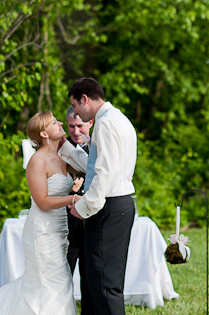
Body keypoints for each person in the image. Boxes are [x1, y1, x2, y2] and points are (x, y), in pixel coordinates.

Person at [0, 111, 78, 314]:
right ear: (43, 133)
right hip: (41, 232)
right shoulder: (37, 161)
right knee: (52, 284)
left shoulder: (61, 156)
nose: (60, 123)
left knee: (56, 282)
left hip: (59, 230)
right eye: (54, 122)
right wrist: (73, 199)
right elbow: (41, 201)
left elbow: (86, 165)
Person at [64, 77, 138, 315]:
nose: (75, 113)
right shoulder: (119, 118)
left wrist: (84, 207)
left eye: (76, 106)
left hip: (110, 207)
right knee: (101, 281)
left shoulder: (105, 123)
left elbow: (105, 173)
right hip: (119, 205)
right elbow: (97, 167)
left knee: (105, 284)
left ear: (85, 99)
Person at [64, 106, 91, 275]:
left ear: (91, 122)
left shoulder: (98, 145)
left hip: (93, 218)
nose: (75, 131)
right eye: (71, 126)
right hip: (67, 220)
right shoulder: (60, 148)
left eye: (80, 125)